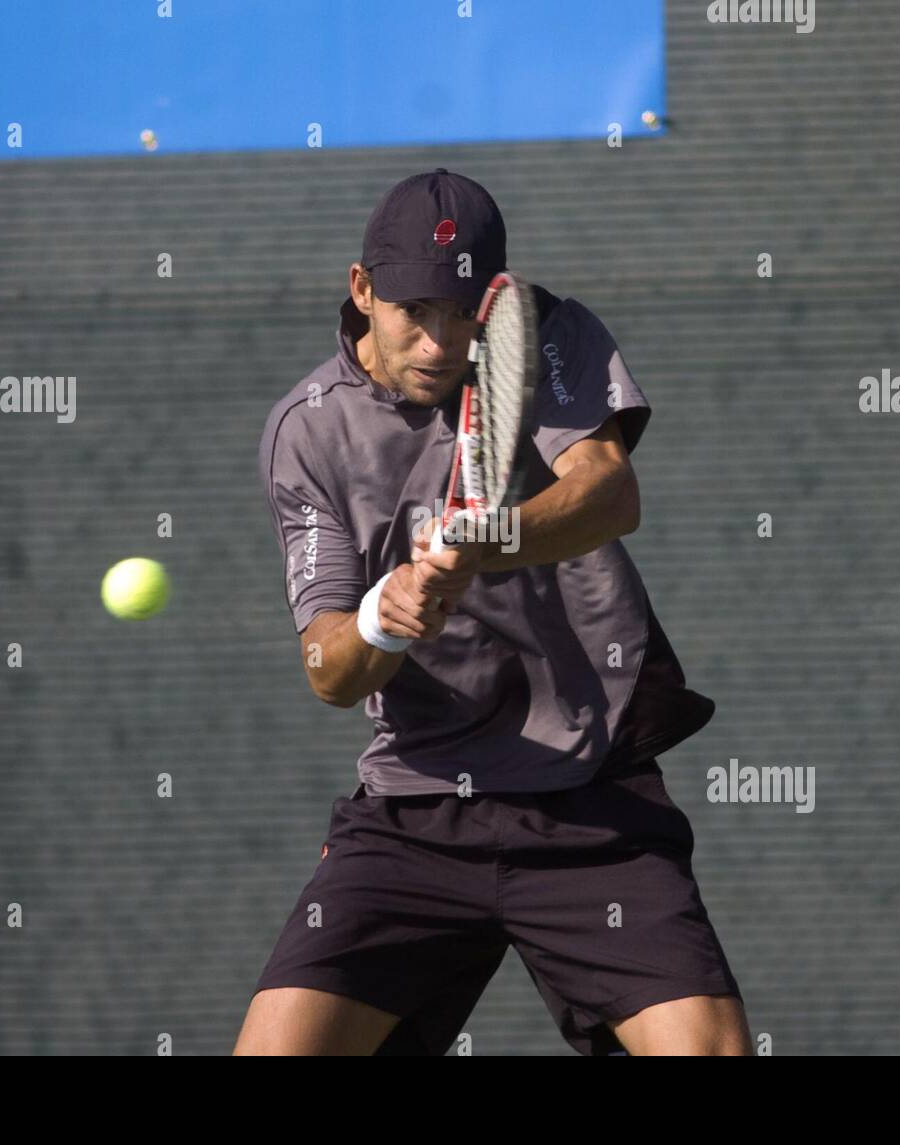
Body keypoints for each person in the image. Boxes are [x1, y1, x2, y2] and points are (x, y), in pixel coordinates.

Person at [236, 169, 752, 1056]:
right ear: (362, 290)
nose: (440, 342)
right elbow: (328, 668)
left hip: (590, 792)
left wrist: (486, 542)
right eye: (414, 311)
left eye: (462, 314)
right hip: (416, 808)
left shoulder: (546, 333)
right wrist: (380, 620)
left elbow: (607, 492)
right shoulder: (308, 431)